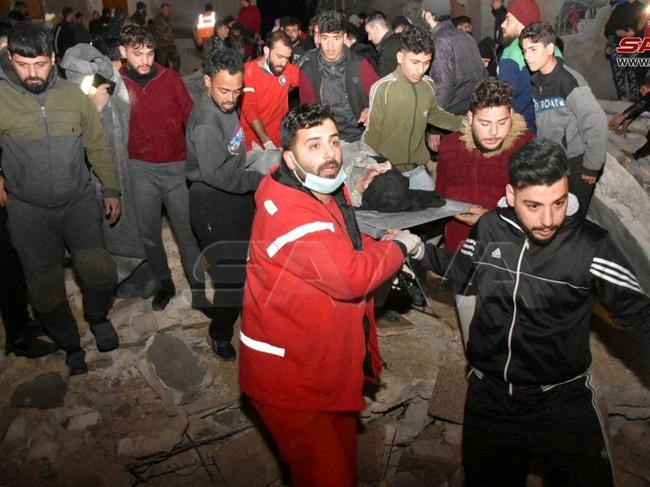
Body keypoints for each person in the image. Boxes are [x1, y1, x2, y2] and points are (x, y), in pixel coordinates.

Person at [408, 138, 650, 487]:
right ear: (510, 194)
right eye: (533, 205)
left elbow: (642, 316)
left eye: (559, 203)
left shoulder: (590, 245)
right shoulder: (491, 227)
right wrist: (418, 250)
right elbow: (464, 271)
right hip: (489, 398)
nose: (548, 219)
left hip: (561, 402)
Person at [239, 103, 418, 486]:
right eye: (314, 145)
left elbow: (342, 242)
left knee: (342, 468)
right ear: (290, 155)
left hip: (322, 369)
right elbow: (349, 277)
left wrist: (375, 244)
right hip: (292, 383)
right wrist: (398, 247)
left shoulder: (313, 187)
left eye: (334, 142)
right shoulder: (291, 213)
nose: (330, 155)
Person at [0, 23, 121, 375]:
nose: (32, 73)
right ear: (11, 58)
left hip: (78, 202)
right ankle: (69, 341)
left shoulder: (72, 95)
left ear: (53, 59)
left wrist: (110, 188)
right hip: (28, 211)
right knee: (45, 291)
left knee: (100, 272)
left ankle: (97, 317)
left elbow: (96, 145)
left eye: (39, 64)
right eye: (23, 65)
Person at [119, 25, 205, 311]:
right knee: (149, 235)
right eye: (137, 54)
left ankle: (198, 289)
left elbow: (190, 120)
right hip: (140, 170)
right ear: (123, 53)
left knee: (186, 233)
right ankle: (164, 284)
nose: (144, 60)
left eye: (149, 53)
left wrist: (198, 162)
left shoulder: (170, 79)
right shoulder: (115, 84)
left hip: (176, 168)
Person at [186, 48, 263, 360]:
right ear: (207, 82)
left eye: (236, 90)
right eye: (224, 90)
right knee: (232, 280)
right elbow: (218, 176)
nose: (231, 98)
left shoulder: (226, 106)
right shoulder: (205, 122)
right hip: (211, 202)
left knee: (250, 265)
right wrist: (258, 179)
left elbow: (232, 156)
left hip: (235, 197)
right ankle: (219, 333)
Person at [436, 78, 534, 252]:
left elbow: (540, 214)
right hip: (456, 251)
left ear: (511, 115)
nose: (494, 132)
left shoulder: (529, 150)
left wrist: (491, 218)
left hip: (507, 253)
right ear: (471, 117)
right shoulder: (449, 146)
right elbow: (440, 197)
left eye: (502, 122)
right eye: (485, 123)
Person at [362, 24, 463, 188]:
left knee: (432, 204)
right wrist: (366, 168)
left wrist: (465, 124)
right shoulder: (383, 88)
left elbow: (434, 114)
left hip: (417, 169)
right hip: (388, 171)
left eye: (426, 63)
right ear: (400, 57)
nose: (421, 70)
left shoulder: (428, 85)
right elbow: (372, 133)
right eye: (415, 62)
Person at [521, 21, 607, 215]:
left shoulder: (570, 82)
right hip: (553, 160)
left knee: (574, 217)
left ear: (550, 48)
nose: (527, 56)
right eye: (525, 50)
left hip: (576, 164)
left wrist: (591, 167)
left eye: (533, 49)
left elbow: (596, 123)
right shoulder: (538, 81)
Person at [298, 10, 379, 143]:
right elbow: (308, 113)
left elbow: (381, 96)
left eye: (336, 38)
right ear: (318, 38)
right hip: (326, 139)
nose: (330, 46)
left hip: (359, 137)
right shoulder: (308, 69)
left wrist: (371, 108)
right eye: (325, 38)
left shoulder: (359, 65)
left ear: (344, 37)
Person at [420, 0, 486, 114]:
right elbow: (482, 73)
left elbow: (442, 86)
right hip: (474, 105)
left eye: (422, 12)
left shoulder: (439, 41)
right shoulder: (466, 36)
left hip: (454, 111)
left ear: (429, 15)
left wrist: (437, 121)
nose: (421, 15)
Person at [241, 31, 299, 150]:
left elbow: (308, 82)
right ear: (266, 50)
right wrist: (267, 142)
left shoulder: (287, 68)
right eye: (279, 57)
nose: (283, 63)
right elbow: (249, 109)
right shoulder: (248, 72)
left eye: (287, 58)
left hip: (279, 140)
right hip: (253, 144)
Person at [497, 0, 543, 133]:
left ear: (523, 25)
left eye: (508, 20)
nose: (502, 24)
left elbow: (504, 102)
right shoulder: (550, 49)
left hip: (519, 131)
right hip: (544, 127)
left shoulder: (510, 54)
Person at [604, 0, 647, 101]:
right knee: (619, 76)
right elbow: (608, 28)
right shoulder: (619, 8)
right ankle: (623, 100)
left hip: (635, 46)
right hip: (619, 46)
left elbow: (645, 25)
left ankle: (635, 101)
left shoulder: (643, 8)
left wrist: (634, 32)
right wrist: (616, 31)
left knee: (634, 75)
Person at [608, 73, 650, 159]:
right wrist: (624, 129)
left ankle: (636, 156)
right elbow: (636, 110)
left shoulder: (648, 98)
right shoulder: (646, 100)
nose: (640, 91)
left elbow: (640, 105)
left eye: (643, 89)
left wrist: (623, 115)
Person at [364, 11, 401, 77]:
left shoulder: (389, 50)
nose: (369, 38)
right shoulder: (397, 41)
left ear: (376, 28)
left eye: (369, 33)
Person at [151, 3, 180, 72]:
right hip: (161, 45)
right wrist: (167, 38)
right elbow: (158, 33)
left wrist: (172, 40)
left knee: (177, 60)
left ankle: (174, 76)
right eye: (166, 9)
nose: (167, 11)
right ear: (162, 10)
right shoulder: (157, 19)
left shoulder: (169, 19)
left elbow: (170, 31)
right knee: (162, 64)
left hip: (170, 44)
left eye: (168, 9)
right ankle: (162, 79)